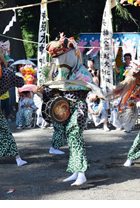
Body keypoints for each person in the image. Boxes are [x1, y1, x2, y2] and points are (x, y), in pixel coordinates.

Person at [40, 33, 102, 186]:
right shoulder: (62, 74)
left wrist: (95, 95)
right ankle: (76, 171)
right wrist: (42, 91)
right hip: (65, 108)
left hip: (79, 107)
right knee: (71, 139)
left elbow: (94, 89)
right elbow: (54, 90)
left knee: (75, 135)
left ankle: (81, 173)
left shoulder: (82, 72)